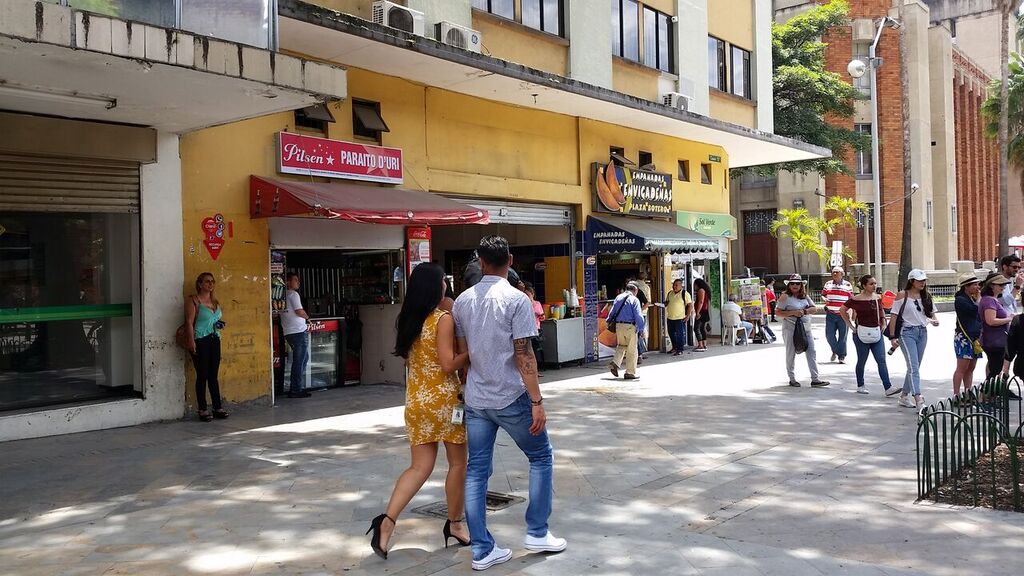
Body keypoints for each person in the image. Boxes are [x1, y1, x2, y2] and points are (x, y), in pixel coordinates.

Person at [452, 236, 565, 571]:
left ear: (481, 263)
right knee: (541, 456)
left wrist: (468, 387)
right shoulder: (517, 301)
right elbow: (524, 354)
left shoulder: (462, 302)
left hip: (476, 399)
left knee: (476, 471)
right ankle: (536, 531)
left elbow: (465, 356)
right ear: (510, 260)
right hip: (510, 396)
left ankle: (482, 550)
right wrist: (537, 401)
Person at [367, 263, 471, 560]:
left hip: (416, 402)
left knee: (419, 468)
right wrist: (472, 352)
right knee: (457, 465)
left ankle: (386, 522)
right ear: (436, 287)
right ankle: (456, 524)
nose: (446, 287)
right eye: (443, 282)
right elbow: (449, 364)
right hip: (444, 402)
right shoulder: (442, 319)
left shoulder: (408, 319)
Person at [890, 269, 940, 411]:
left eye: (924, 280)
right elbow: (893, 316)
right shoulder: (902, 295)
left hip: (922, 332)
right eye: (919, 280)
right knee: (913, 366)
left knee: (915, 366)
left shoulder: (926, 296)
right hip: (907, 333)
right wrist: (893, 337)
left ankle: (904, 395)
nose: (922, 283)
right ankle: (918, 398)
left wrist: (934, 321)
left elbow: (933, 315)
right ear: (912, 281)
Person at [839, 275, 897, 396]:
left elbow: (881, 311)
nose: (874, 286)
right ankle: (860, 385)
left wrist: (883, 323)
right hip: (861, 333)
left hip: (877, 332)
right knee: (862, 360)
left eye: (875, 283)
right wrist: (851, 326)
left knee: (881, 360)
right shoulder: (856, 299)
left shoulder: (877, 298)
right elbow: (842, 310)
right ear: (864, 285)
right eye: (871, 284)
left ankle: (888, 387)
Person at [184, 272, 228, 421]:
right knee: (202, 375)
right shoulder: (194, 301)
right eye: (207, 281)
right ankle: (202, 409)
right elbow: (189, 322)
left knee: (213, 375)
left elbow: (214, 319)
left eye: (212, 282)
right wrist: (191, 341)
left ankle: (217, 407)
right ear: (200, 284)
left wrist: (218, 324)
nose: (210, 284)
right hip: (200, 339)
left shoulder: (215, 302)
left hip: (214, 338)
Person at [776, 274, 829, 388]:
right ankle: (792, 378)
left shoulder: (805, 297)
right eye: (793, 283)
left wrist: (804, 312)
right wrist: (792, 313)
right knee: (791, 353)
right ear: (789, 285)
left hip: (806, 329)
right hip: (790, 329)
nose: (795, 285)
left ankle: (815, 378)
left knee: (811, 351)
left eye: (797, 283)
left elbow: (814, 308)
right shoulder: (784, 297)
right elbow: (778, 312)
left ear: (801, 285)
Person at [280, 273, 311, 399]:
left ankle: (295, 386)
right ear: (288, 282)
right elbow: (299, 311)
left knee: (303, 359)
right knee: (299, 361)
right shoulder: (293, 294)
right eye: (295, 280)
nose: (298, 282)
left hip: (288, 332)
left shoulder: (282, 296)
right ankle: (295, 389)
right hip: (298, 331)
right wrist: (308, 318)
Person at [978, 272, 1013, 381]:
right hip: (994, 341)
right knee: (995, 370)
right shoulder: (989, 300)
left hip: (996, 340)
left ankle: (989, 394)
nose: (1003, 287)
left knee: (995, 368)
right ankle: (984, 395)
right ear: (992, 285)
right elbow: (991, 321)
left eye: (1004, 285)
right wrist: (1009, 319)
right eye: (1000, 285)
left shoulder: (991, 299)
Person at [607, 282, 645, 380]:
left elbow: (612, 312)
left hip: (619, 326)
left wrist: (608, 321)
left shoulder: (618, 297)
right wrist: (641, 329)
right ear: (635, 290)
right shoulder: (634, 300)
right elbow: (638, 316)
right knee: (632, 350)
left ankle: (615, 363)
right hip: (630, 327)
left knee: (622, 345)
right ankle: (630, 373)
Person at [952, 273, 983, 395]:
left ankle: (967, 392)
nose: (977, 287)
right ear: (966, 286)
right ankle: (956, 395)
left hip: (975, 337)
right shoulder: (960, 300)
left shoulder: (972, 298)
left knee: (971, 367)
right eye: (975, 285)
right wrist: (979, 298)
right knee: (962, 368)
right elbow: (976, 309)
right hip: (964, 337)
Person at [822, 266, 854, 364]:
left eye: (837, 272)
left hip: (843, 314)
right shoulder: (828, 284)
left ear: (842, 274)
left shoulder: (848, 285)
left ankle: (841, 356)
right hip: (831, 314)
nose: (835, 274)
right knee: (829, 335)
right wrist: (825, 299)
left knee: (843, 336)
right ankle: (835, 350)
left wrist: (851, 312)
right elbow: (823, 294)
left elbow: (851, 299)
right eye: (833, 272)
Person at [664, 279, 693, 355]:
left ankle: (680, 349)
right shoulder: (670, 293)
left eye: (676, 285)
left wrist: (688, 316)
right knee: (671, 334)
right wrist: (662, 304)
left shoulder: (685, 293)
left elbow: (690, 305)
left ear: (681, 285)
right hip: (670, 317)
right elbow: (667, 302)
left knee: (680, 334)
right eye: (673, 285)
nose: (674, 286)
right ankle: (674, 347)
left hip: (680, 318)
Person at [692, 277, 712, 352]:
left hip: (701, 312)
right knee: (701, 328)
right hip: (704, 311)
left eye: (695, 285)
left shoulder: (701, 290)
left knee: (696, 328)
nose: (694, 287)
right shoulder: (705, 291)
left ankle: (700, 345)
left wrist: (697, 312)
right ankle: (704, 344)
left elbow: (700, 302)